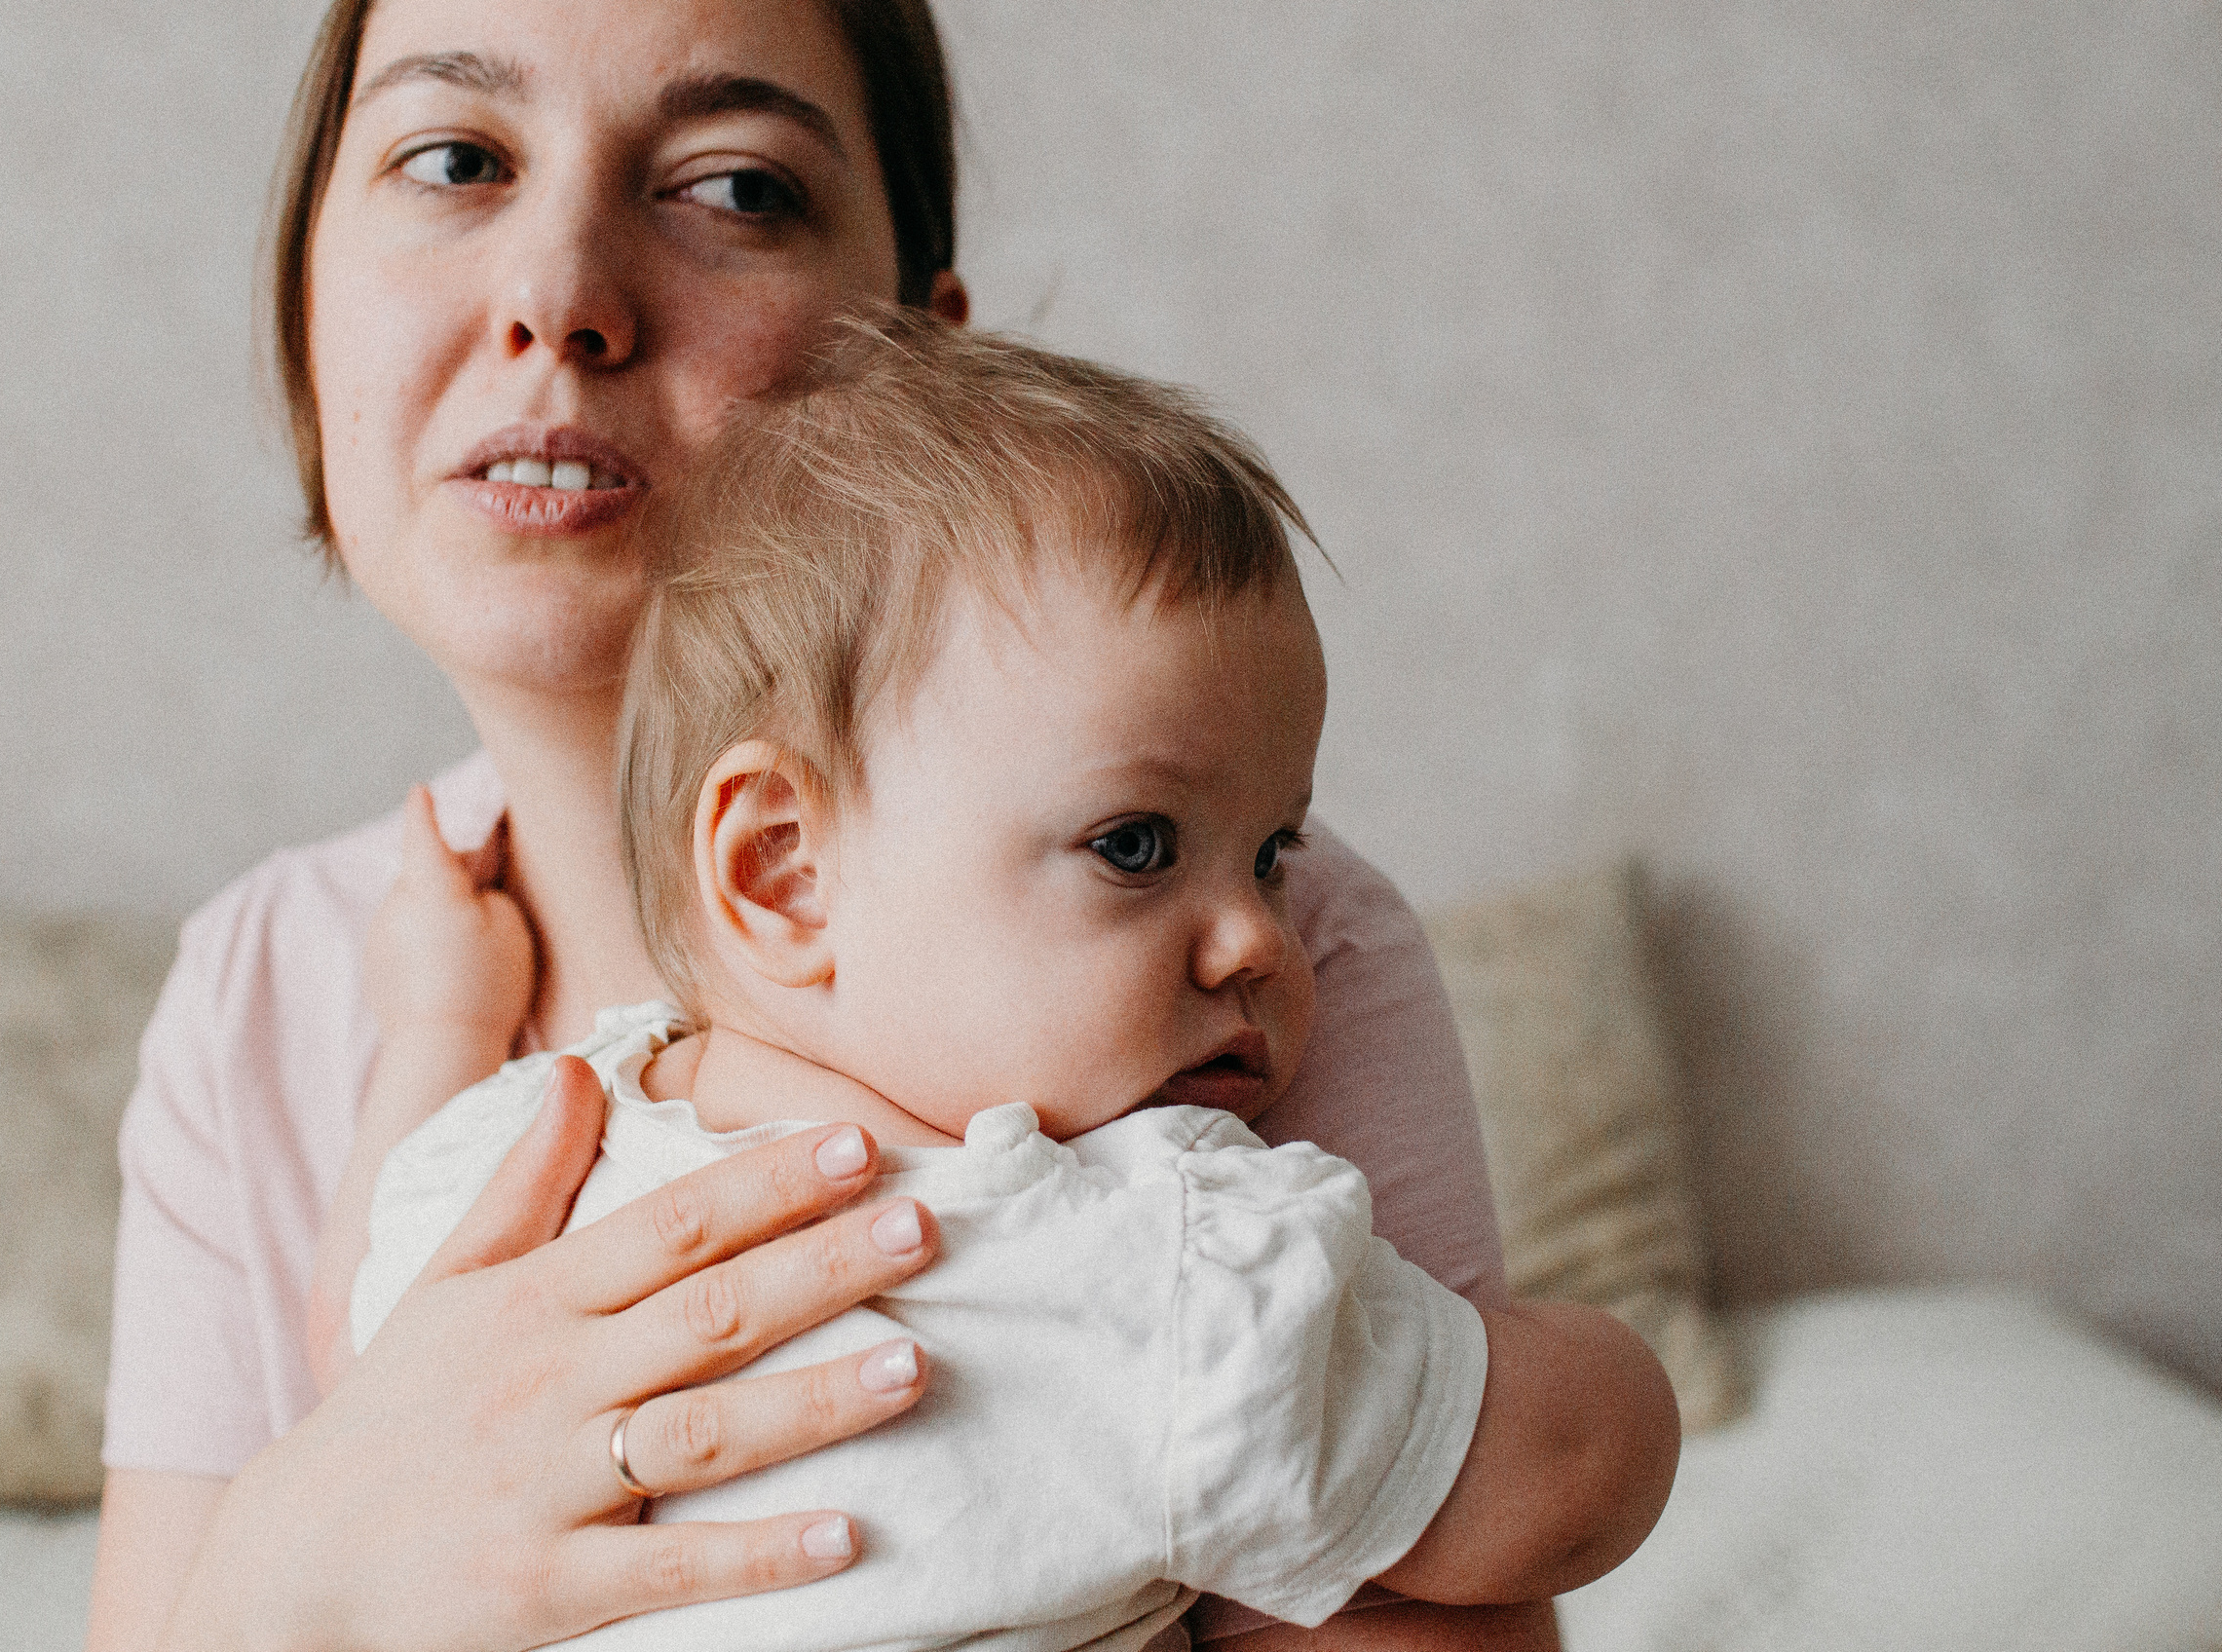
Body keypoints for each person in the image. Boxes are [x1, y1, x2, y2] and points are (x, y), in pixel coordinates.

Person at [84, 0, 1679, 1647]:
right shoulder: (273, 987)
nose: (557, 301)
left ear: (926, 348)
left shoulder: (1242, 977)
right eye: (454, 158)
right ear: (301, 301)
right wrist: (306, 1555)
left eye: (735, 188)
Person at [328, 317, 1662, 1652]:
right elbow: (1562, 1488)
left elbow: (351, 1404)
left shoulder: (507, 1163)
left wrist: (440, 1022)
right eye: (1134, 848)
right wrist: (1601, 1370)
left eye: (1273, 853)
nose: (1259, 938)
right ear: (783, 871)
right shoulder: (1150, 1262)